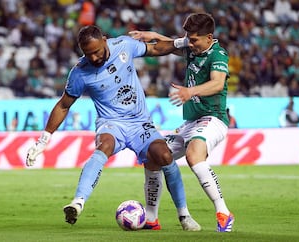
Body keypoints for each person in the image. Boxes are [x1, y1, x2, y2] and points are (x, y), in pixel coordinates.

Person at [25, 25, 200, 231]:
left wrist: (180, 43)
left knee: (164, 155)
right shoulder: (80, 73)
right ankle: (78, 203)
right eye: (88, 54)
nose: (94, 57)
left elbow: (154, 49)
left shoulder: (124, 45)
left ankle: (184, 215)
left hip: (139, 122)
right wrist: (44, 139)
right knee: (104, 144)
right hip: (111, 123)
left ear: (105, 40)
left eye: (97, 51)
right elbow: (64, 105)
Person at [129, 12, 235, 232]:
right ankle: (151, 219)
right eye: (189, 38)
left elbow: (217, 84)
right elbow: (169, 44)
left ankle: (223, 212)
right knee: (154, 156)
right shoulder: (190, 44)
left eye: (195, 39)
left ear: (209, 37)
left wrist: (191, 91)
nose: (190, 42)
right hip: (192, 121)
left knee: (194, 155)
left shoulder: (218, 55)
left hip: (214, 118)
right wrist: (151, 35)